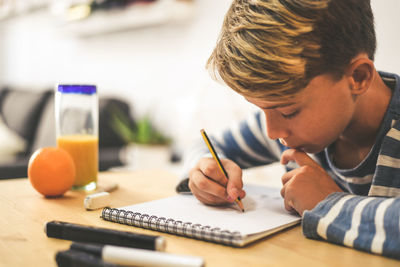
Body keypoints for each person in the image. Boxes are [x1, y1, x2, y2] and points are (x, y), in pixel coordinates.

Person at [177, 0, 400, 260]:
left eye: (288, 111)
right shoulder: (290, 127)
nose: (272, 132)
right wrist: (205, 172)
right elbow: (207, 146)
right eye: (262, 109)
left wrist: (325, 204)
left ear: (358, 77)